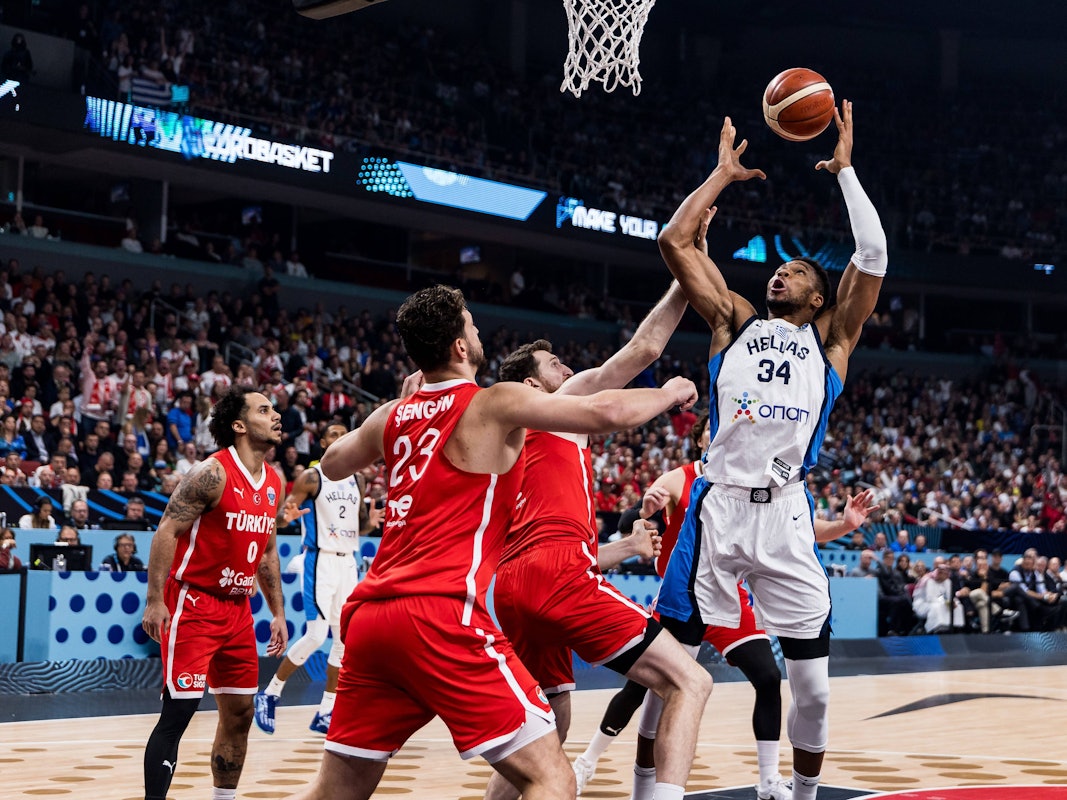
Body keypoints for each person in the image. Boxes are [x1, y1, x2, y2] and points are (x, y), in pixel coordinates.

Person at [288, 285, 697, 800]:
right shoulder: (496, 402)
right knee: (552, 777)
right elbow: (606, 413)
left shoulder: (391, 415)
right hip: (439, 612)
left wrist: (406, 405)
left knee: (336, 789)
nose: (478, 333)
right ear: (460, 346)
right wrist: (669, 393)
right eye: (473, 326)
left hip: (370, 618)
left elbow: (330, 464)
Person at [655, 104, 887, 800]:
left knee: (811, 693)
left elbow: (871, 257)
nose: (778, 276)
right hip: (717, 508)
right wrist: (720, 176)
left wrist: (845, 174)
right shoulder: (734, 318)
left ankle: (802, 795)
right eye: (776, 270)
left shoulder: (833, 342)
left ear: (820, 295)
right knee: (669, 668)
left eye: (793, 272)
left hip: (785, 516)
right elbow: (674, 240)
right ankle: (650, 787)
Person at [486, 278, 713, 800]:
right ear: (533, 385)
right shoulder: (553, 407)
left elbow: (539, 541)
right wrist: (683, 281)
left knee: (548, 723)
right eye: (554, 366)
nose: (567, 371)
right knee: (689, 681)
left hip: (514, 584)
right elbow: (644, 349)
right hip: (556, 573)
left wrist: (624, 550)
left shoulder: (499, 439)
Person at [572, 413, 875, 799]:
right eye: (711, 429)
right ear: (699, 440)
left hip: (731, 596)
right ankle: (594, 762)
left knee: (768, 676)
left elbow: (799, 530)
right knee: (646, 691)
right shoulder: (682, 476)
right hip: (684, 597)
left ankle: (768, 781)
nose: (721, 432)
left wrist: (844, 525)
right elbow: (641, 510)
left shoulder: (756, 476)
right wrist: (647, 507)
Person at [141, 386, 301, 800]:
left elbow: (267, 553)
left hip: (238, 611)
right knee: (179, 712)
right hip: (193, 602)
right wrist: (155, 600)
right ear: (239, 424)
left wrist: (277, 613)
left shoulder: (275, 483)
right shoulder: (211, 473)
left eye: (274, 409)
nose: (276, 415)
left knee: (240, 713)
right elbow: (167, 530)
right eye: (264, 410)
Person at [254, 423, 383, 736]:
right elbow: (283, 516)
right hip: (319, 561)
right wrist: (288, 516)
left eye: (343, 434)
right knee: (315, 635)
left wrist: (373, 523)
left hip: (347, 564)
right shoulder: (312, 477)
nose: (339, 438)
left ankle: (326, 711)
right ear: (323, 441)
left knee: (344, 640)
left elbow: (361, 526)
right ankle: (270, 693)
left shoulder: (358, 479)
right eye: (332, 434)